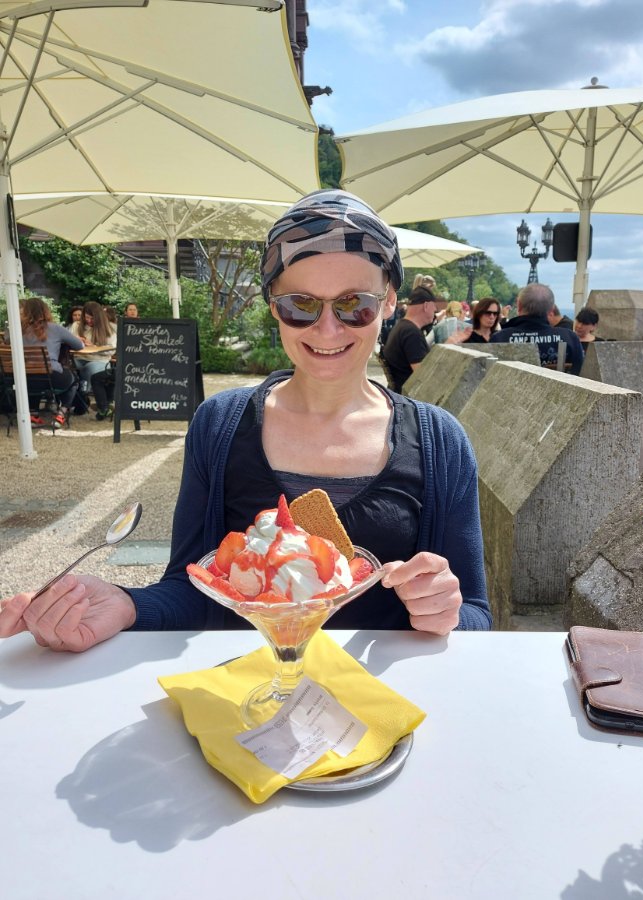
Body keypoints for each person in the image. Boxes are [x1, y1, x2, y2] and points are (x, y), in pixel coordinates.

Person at [0, 188, 491, 653]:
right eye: (300, 305)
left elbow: (474, 613)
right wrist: (127, 604)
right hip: (245, 693)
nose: (327, 328)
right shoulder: (219, 425)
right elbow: (191, 590)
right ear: (273, 304)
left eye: (354, 305)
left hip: (378, 699)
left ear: (388, 301)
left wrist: (445, 611)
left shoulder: (439, 442)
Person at [490, 283, 584, 375]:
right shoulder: (569, 338)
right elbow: (580, 373)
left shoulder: (499, 338)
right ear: (551, 310)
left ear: (519, 306)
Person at [19, 296, 84, 427]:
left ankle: (33, 414)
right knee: (74, 379)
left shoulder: (18, 330)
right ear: (45, 311)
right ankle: (61, 413)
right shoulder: (55, 328)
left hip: (24, 378)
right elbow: (79, 345)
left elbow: (7, 341)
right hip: (52, 376)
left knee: (34, 377)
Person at [381, 284, 437, 392]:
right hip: (408, 396)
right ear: (426, 306)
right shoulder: (411, 334)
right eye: (434, 307)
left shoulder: (402, 327)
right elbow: (424, 377)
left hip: (398, 393)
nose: (435, 310)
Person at [71, 300, 117, 396]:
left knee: (89, 369)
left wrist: (94, 346)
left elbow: (111, 350)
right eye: (87, 317)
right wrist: (75, 340)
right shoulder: (76, 326)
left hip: (99, 360)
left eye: (92, 318)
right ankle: (74, 395)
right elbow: (67, 343)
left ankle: (83, 393)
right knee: (67, 367)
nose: (89, 320)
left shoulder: (108, 329)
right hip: (78, 358)